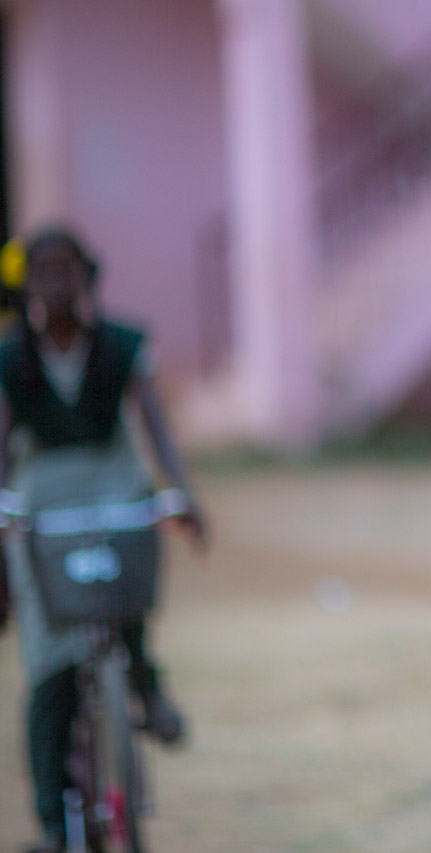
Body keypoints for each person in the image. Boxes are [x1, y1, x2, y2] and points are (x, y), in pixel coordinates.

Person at [0, 227, 206, 853]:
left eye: (66, 269)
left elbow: (154, 426)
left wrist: (181, 491)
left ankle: (144, 682)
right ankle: (51, 820)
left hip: (114, 488)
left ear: (88, 277)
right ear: (27, 285)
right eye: (42, 271)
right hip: (45, 501)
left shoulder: (122, 346)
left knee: (125, 582)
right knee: (49, 663)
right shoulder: (10, 360)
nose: (55, 282)